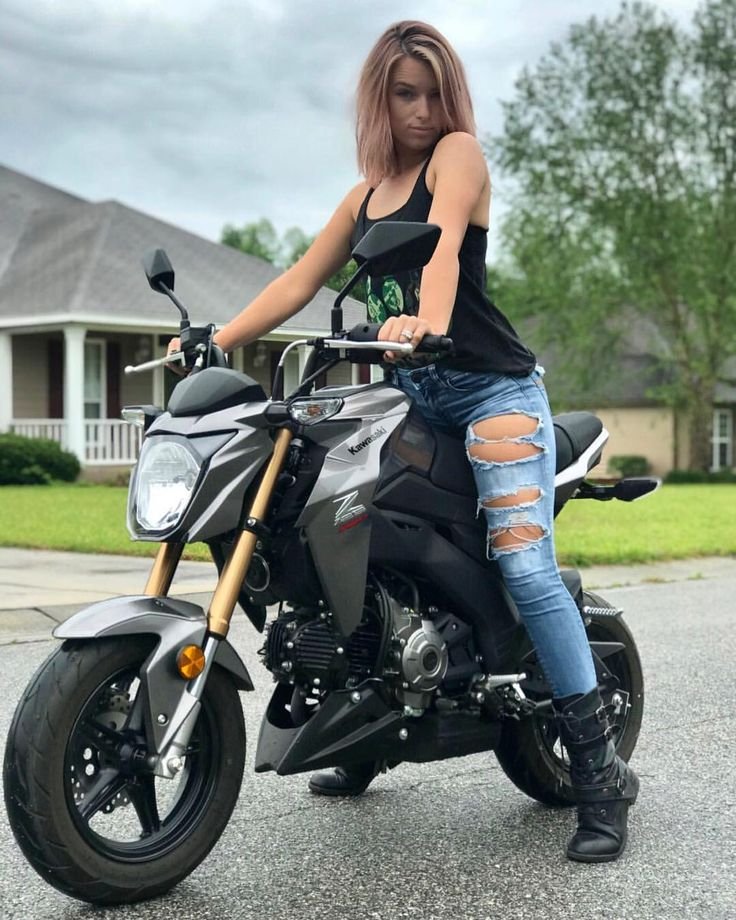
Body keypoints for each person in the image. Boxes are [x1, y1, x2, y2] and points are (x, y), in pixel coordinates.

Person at [169, 20, 638, 863]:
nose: (421, 109)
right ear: (378, 99)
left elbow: (446, 246)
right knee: (339, 526)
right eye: (403, 93)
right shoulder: (364, 194)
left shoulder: (456, 155)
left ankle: (601, 778)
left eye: (432, 91)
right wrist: (219, 336)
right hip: (409, 386)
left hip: (490, 388)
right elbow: (297, 280)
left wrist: (427, 320)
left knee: (527, 566)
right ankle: (361, 724)